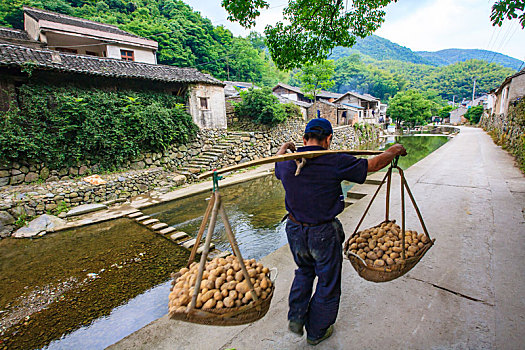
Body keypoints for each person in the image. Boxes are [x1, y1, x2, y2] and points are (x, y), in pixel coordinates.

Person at [274, 118, 406, 345]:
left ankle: (296, 317)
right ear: (328, 140)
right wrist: (393, 150)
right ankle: (316, 332)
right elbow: (372, 165)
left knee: (304, 271)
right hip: (323, 233)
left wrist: (285, 147)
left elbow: (277, 164)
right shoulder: (334, 160)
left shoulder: (287, 162)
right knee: (328, 281)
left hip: (295, 230)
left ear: (304, 139)